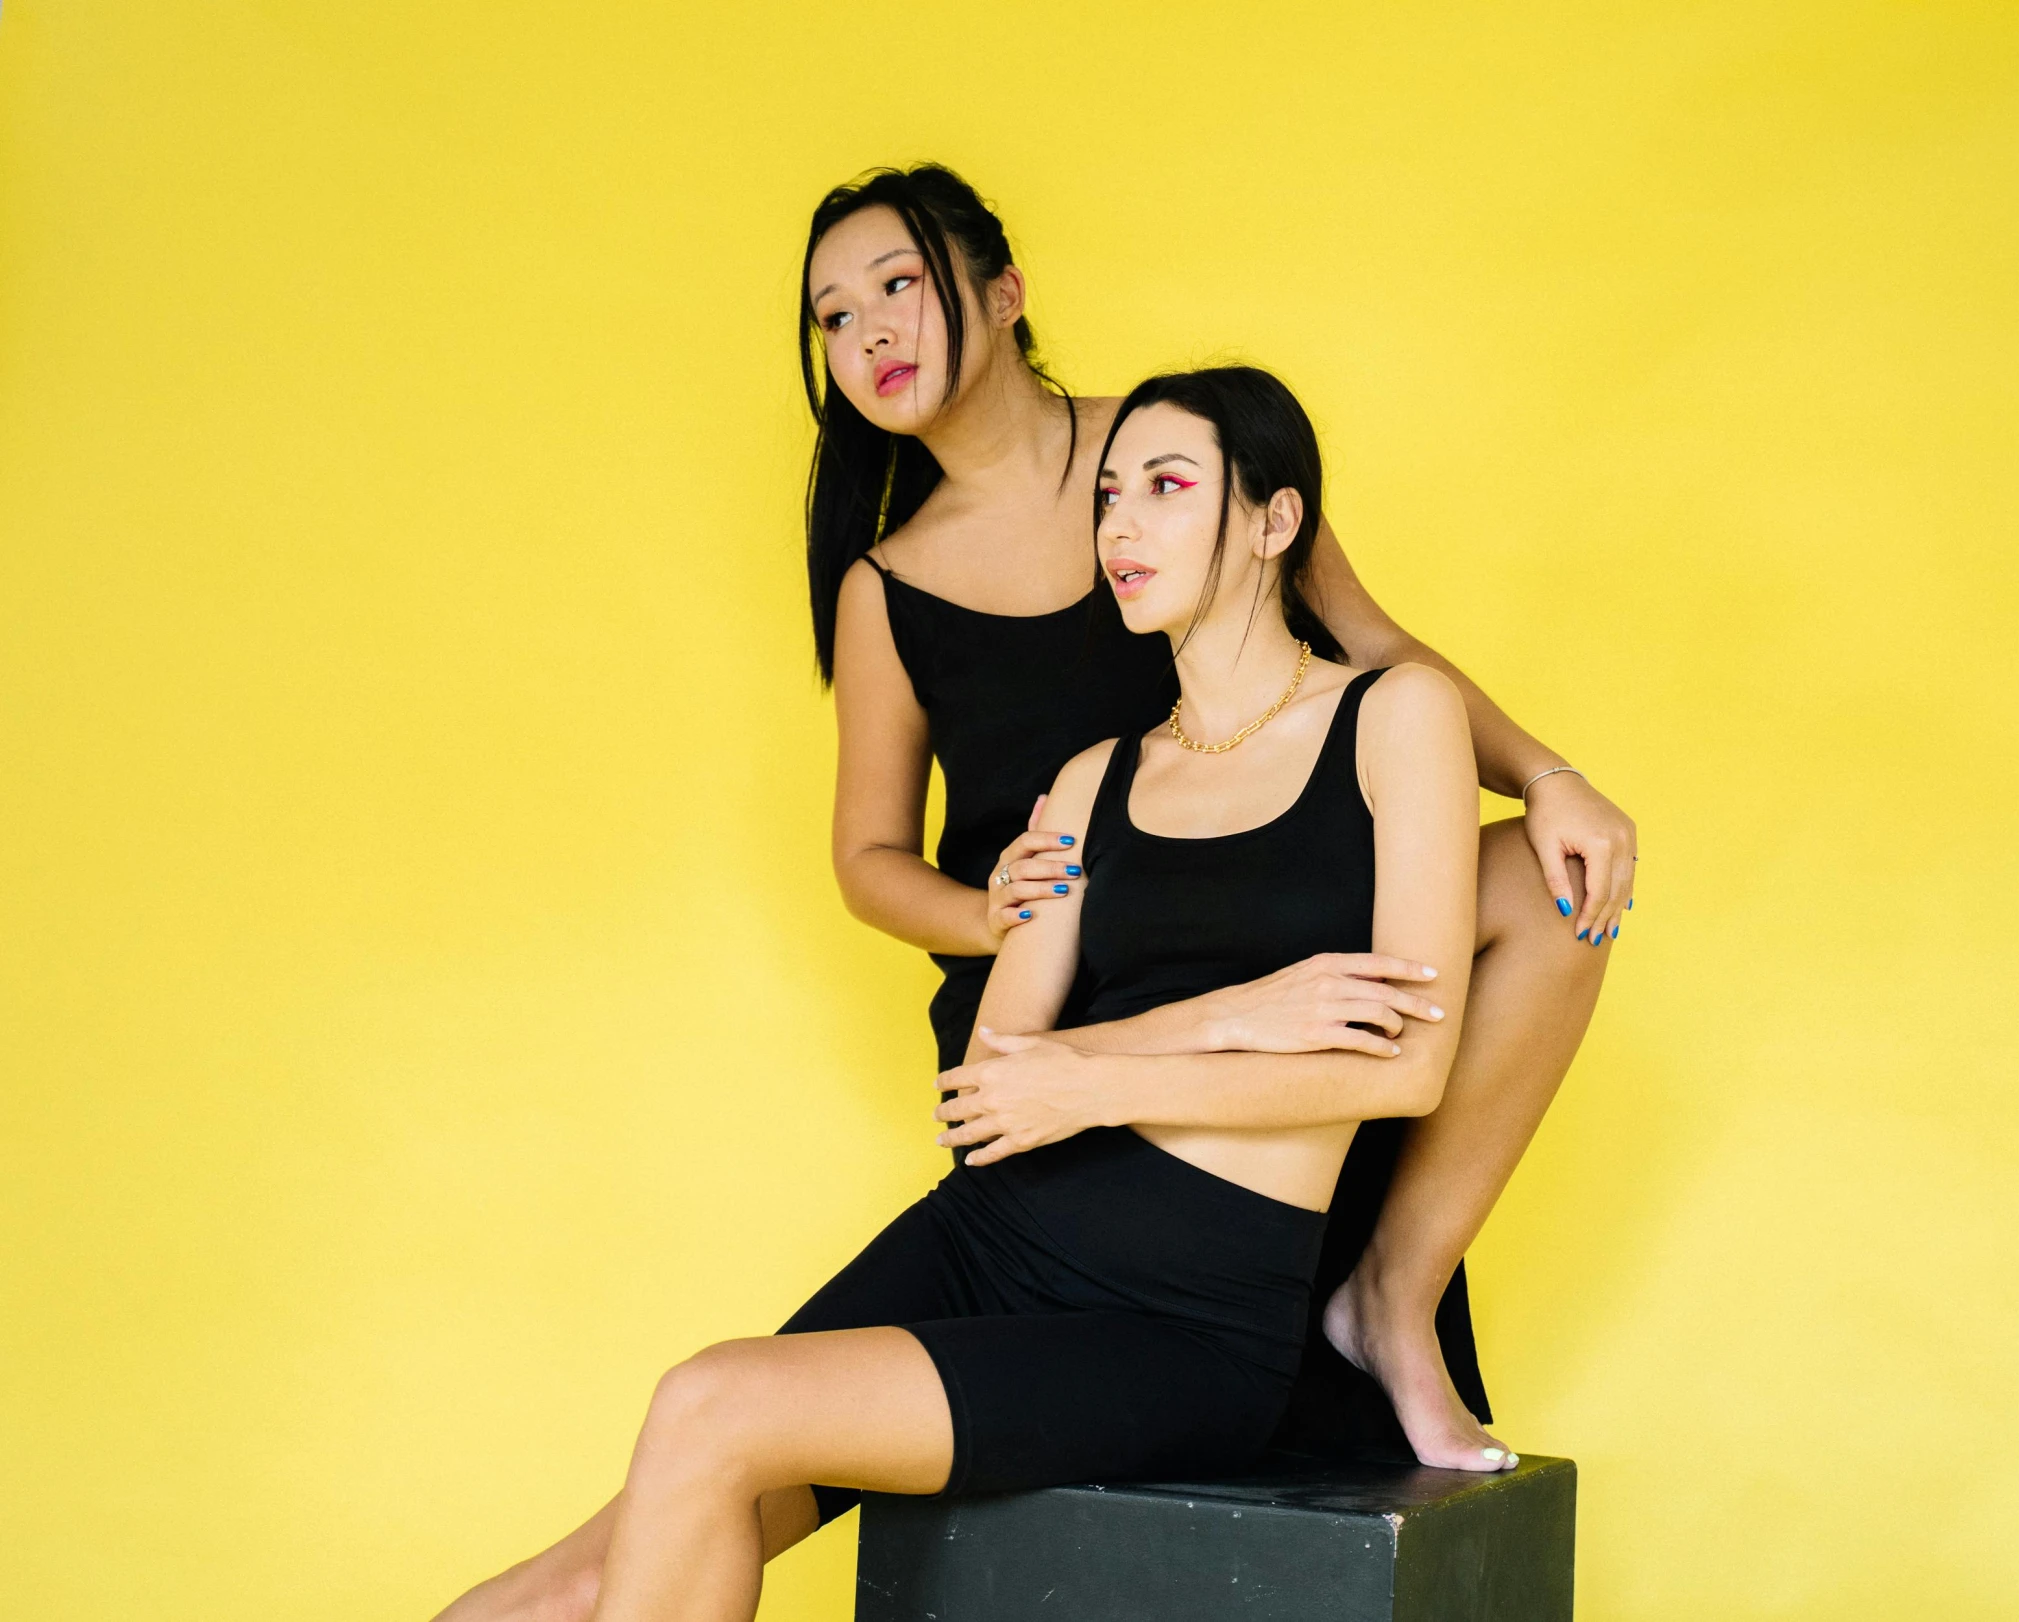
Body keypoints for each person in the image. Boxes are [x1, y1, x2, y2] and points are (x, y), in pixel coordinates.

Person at [434, 367, 1487, 1622]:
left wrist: (1092, 1074)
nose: (1121, 528)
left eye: (1167, 488)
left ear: (1275, 520)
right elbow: (994, 1083)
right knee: (616, 1544)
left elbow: (1405, 1067)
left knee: (709, 1405)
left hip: (1180, 1318)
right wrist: (1224, 1013)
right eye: (1109, 496)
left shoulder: (1394, 719)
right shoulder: (1093, 780)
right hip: (990, 1235)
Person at [812, 164, 1635, 1472]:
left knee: (1558, 884)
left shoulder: (1182, 452)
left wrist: (1544, 776)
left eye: (898, 285)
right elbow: (864, 859)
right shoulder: (885, 582)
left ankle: (1390, 1291)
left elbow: (1372, 650)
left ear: (1004, 291)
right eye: (833, 317)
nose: (870, 335)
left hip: (1274, 943)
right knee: (746, 1423)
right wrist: (994, 909)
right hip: (1064, 994)